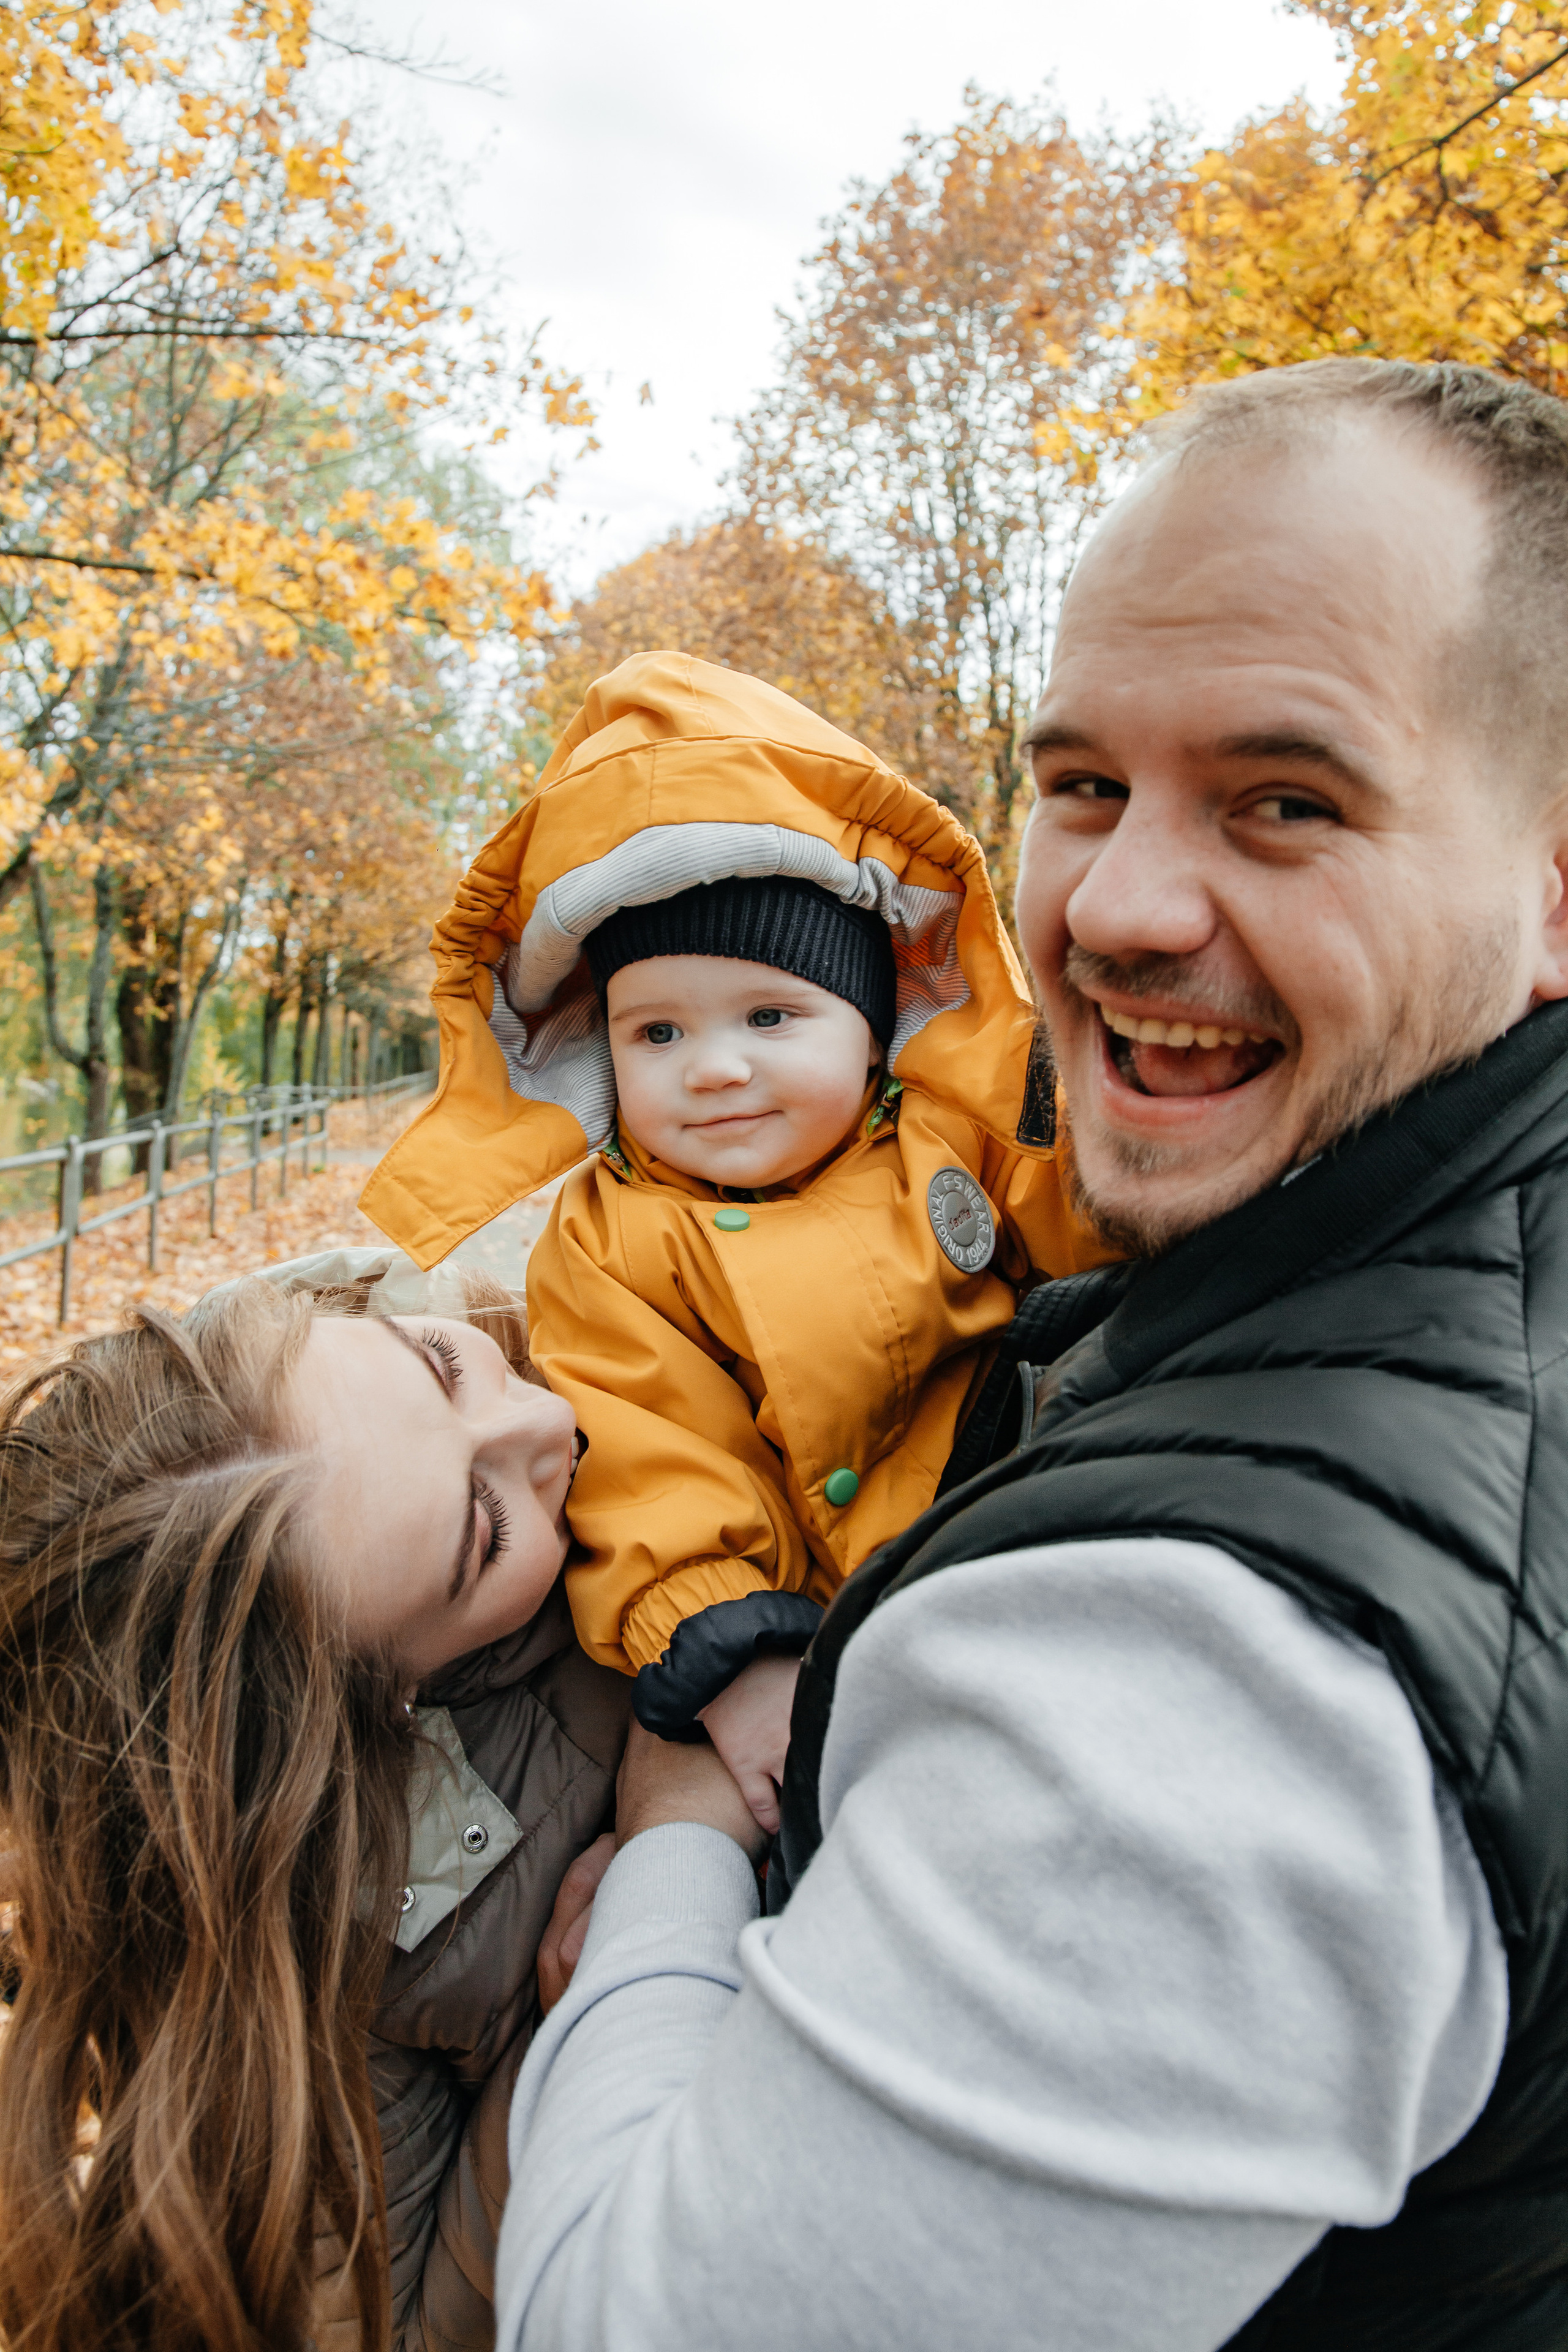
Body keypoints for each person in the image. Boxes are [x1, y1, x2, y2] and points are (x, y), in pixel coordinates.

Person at [489, 358, 1568, 2351]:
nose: (1120, 906)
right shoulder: (1376, 1232)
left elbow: (620, 2325)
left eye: (1289, 799)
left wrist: (667, 1870)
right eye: (1082, 786)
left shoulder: (1226, 1685)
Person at [361, 655, 1112, 1830]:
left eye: (771, 1017)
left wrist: (1075, 1116)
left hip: (1018, 1525)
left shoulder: (954, 1139)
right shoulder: (610, 1241)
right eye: (656, 1031)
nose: (714, 1067)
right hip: (809, 1621)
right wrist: (731, 1649)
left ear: (870, 1028)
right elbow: (645, 1454)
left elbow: (1093, 1224)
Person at [0, 1257, 631, 2352]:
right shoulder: (331, 1945)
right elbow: (409, 2325)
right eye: (484, 1530)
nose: (548, 1419)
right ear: (383, 1705)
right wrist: (573, 2034)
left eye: (440, 1367)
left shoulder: (610, 1276)